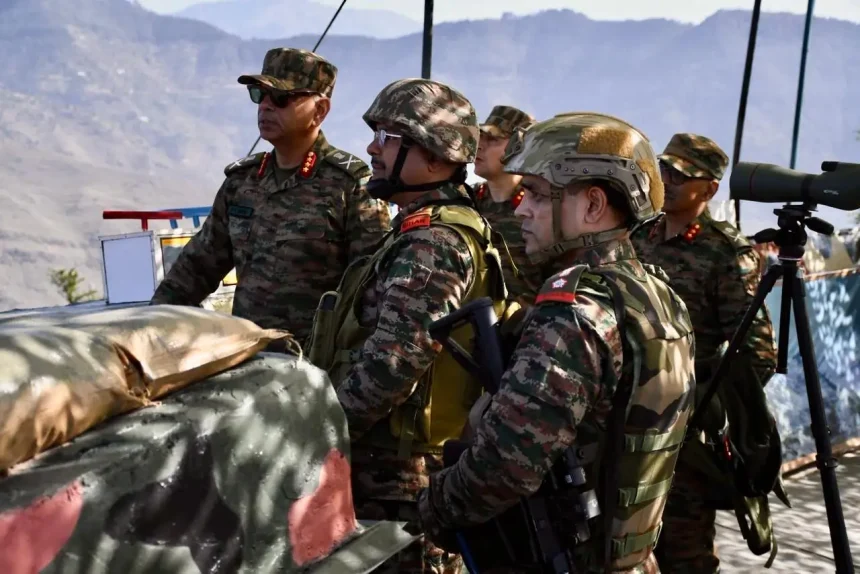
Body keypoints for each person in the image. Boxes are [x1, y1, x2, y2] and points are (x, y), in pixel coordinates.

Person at [415, 112, 697, 573]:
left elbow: (503, 467)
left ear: (592, 205)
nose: (522, 208)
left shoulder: (573, 314)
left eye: (540, 196)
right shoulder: (655, 294)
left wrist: (430, 507)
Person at [305, 78, 511, 574]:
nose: (373, 147)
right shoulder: (421, 228)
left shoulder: (433, 242)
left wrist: (318, 439)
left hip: (399, 479)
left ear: (438, 158)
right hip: (390, 470)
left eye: (391, 138)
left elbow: (394, 363)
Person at [150, 47, 391, 343]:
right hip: (250, 357)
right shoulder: (242, 184)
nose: (265, 106)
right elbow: (195, 270)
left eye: (280, 98)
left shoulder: (351, 187)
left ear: (320, 110)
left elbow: (371, 293)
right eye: (258, 95)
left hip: (315, 366)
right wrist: (152, 327)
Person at [629, 133, 778, 573]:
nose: (668, 180)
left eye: (682, 175)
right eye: (665, 170)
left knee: (682, 549)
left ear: (710, 189)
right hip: (625, 413)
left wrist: (699, 402)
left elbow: (757, 356)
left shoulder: (727, 252)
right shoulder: (640, 236)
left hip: (683, 432)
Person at [474, 105, 543, 304]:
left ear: (520, 147)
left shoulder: (542, 206)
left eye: (493, 139)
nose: (479, 145)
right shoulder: (468, 200)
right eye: (481, 137)